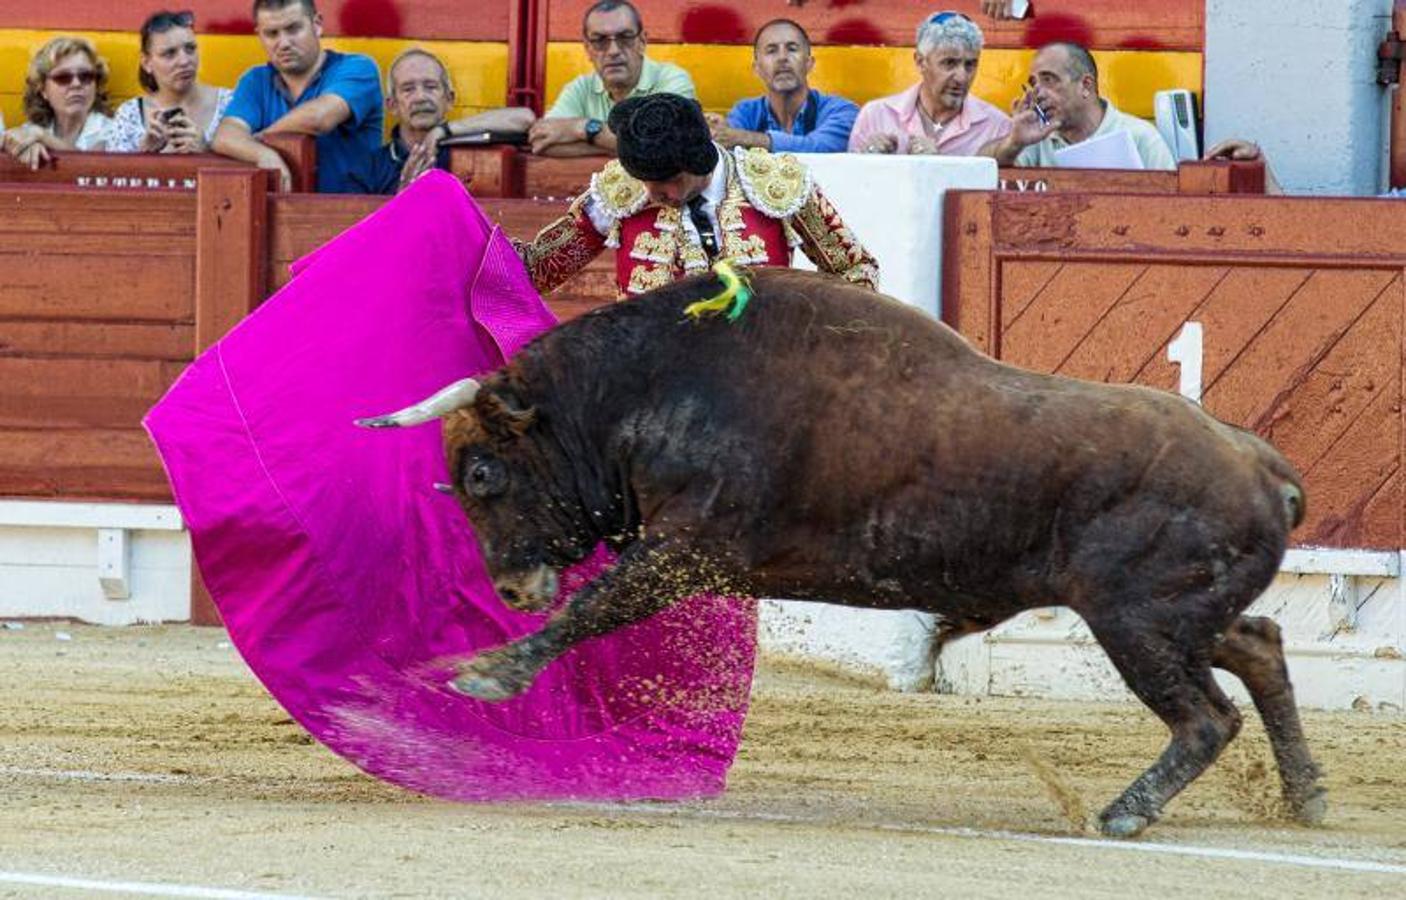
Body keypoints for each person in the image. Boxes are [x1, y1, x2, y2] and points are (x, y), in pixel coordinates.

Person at [515, 93, 878, 298]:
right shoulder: (620, 194)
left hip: (761, 383)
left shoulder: (774, 184)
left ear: (699, 161)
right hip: (651, 387)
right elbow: (536, 271)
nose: (654, 194)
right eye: (644, 180)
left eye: (669, 180)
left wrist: (811, 334)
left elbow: (854, 268)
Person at [212, 0, 382, 192]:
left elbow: (319, 118)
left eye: (293, 29)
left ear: (317, 25)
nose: (284, 43)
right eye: (272, 33)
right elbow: (225, 136)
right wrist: (263, 155)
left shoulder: (358, 68)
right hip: (278, 216)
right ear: (259, 35)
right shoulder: (256, 80)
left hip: (355, 215)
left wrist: (260, 138)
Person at [352, 48, 536, 195]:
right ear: (392, 105)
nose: (421, 97)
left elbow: (525, 119)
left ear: (449, 98)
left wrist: (444, 130)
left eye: (431, 87)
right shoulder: (368, 168)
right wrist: (404, 198)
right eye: (408, 89)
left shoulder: (470, 155)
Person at [527, 0, 696, 157]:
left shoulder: (671, 80)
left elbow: (670, 145)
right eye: (600, 40)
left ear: (642, 42)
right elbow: (542, 141)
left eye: (625, 37)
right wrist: (632, 149)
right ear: (588, 49)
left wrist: (584, 128)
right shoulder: (580, 88)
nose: (613, 51)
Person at [982, 42, 1176, 170]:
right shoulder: (1036, 138)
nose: (1038, 93)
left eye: (1049, 80)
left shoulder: (1142, 138)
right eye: (1034, 84)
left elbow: (1174, 209)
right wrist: (1013, 142)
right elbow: (981, 171)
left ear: (1086, 85)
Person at [847, 11, 1010, 156]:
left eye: (970, 64)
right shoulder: (876, 115)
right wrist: (866, 162)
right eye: (949, 63)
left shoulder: (997, 127)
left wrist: (938, 166)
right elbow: (849, 183)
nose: (962, 77)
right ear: (920, 62)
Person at [709, 19, 857, 154]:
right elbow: (728, 142)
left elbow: (821, 147)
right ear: (757, 69)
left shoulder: (841, 110)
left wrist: (750, 139)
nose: (782, 58)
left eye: (792, 49)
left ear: (809, 63)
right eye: (771, 50)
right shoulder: (746, 112)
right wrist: (715, 132)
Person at [108, 11, 233, 154]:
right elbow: (112, 174)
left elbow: (254, 169)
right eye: (169, 53)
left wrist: (207, 151)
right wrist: (144, 154)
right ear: (147, 63)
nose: (184, 61)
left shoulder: (231, 104)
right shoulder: (129, 115)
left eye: (190, 49)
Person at [2, 36, 114, 169]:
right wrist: (28, 147)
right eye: (63, 78)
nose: (76, 84)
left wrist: (42, 137)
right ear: (43, 90)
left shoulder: (113, 130)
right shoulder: (32, 130)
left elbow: (91, 167)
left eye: (86, 76)